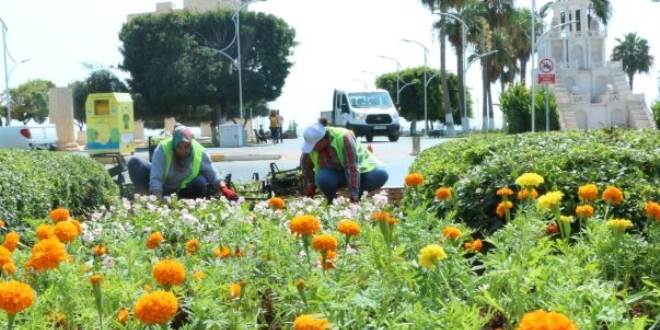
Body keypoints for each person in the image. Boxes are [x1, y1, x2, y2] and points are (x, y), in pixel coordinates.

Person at [127, 124, 238, 200]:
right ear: (174, 145)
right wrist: (157, 202)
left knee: (201, 182)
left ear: (191, 144)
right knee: (134, 163)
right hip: (162, 185)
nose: (183, 150)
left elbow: (212, 174)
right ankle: (145, 197)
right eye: (179, 147)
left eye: (186, 147)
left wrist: (224, 189)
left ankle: (182, 202)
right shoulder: (163, 149)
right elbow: (156, 178)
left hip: (181, 189)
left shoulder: (199, 151)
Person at [299, 122, 388, 203]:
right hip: (336, 173)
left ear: (323, 140)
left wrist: (354, 195)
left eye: (314, 146)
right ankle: (332, 201)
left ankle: (357, 197)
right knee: (323, 179)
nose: (312, 149)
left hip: (360, 169)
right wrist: (311, 185)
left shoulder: (344, 138)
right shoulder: (313, 141)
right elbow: (303, 162)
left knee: (381, 175)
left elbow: (352, 167)